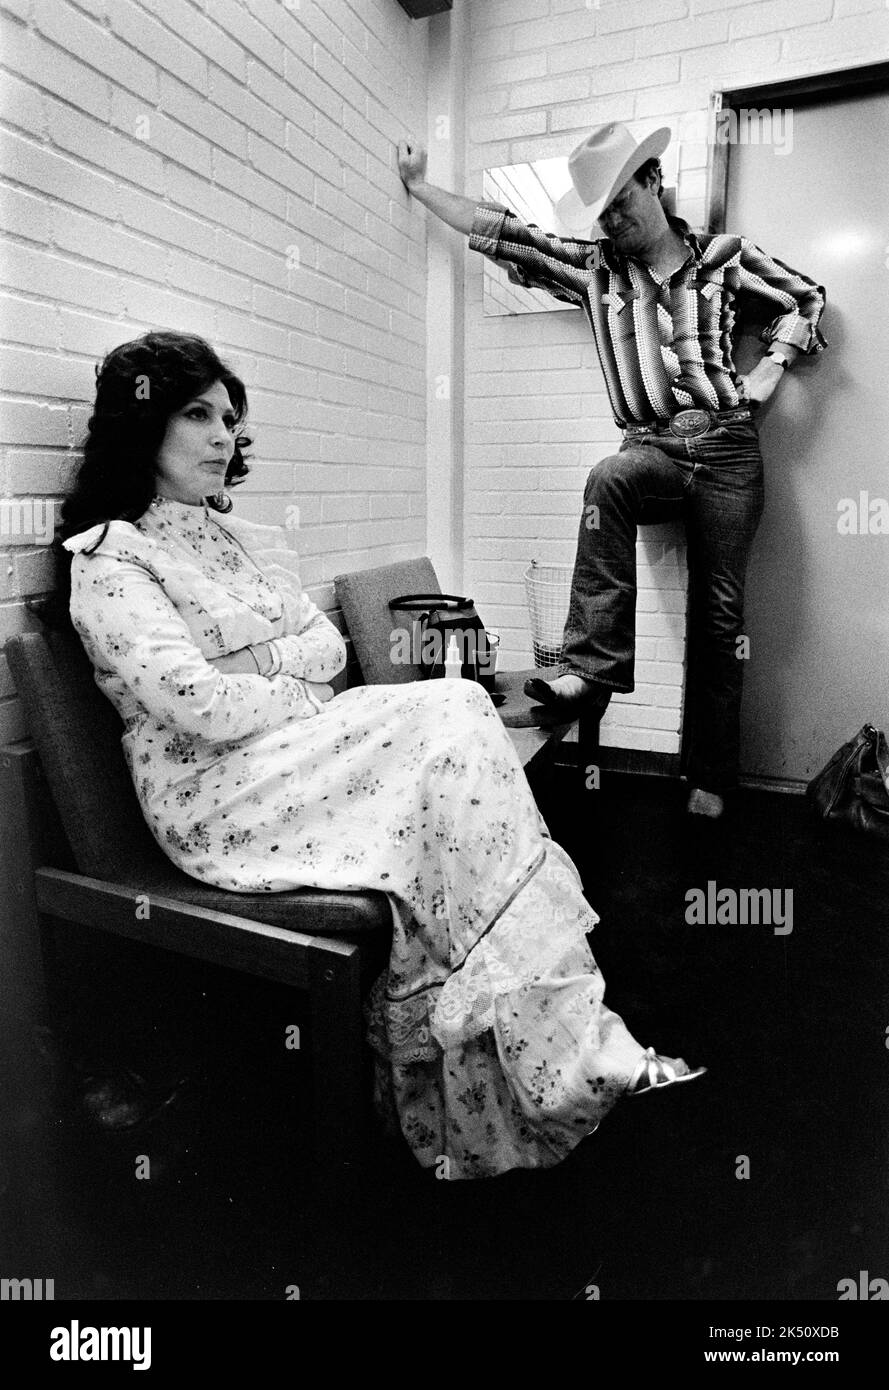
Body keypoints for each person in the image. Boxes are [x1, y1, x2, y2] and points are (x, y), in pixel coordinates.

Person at [59, 330, 704, 1182]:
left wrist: (258, 667)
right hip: (217, 797)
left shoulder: (230, 539)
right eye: (197, 414)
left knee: (457, 711)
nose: (223, 436)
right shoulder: (110, 557)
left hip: (286, 753)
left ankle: (536, 1061)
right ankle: (532, 1068)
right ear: (140, 425)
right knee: (450, 720)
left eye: (229, 418)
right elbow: (196, 706)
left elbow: (323, 645)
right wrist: (279, 674)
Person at [397, 121, 828, 818]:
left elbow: (806, 297)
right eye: (600, 214)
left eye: (620, 203)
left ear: (653, 180)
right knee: (608, 477)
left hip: (726, 449)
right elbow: (507, 233)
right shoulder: (594, 270)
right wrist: (419, 189)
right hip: (650, 449)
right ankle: (588, 674)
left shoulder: (723, 257)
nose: (613, 222)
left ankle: (711, 778)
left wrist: (771, 364)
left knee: (720, 619)